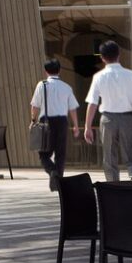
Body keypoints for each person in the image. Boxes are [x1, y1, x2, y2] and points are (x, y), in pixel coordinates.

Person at [82, 39, 132, 182]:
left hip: (107, 119)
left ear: (102, 57)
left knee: (109, 157)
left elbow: (92, 103)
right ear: (119, 54)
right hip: (127, 118)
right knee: (131, 154)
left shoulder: (99, 77)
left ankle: (113, 185)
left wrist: (88, 127)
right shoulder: (131, 75)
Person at [29, 56, 78, 189]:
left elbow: (35, 105)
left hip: (46, 122)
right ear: (59, 70)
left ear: (46, 71)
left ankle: (52, 171)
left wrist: (33, 120)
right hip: (62, 121)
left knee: (44, 153)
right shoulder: (67, 87)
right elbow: (72, 108)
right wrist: (76, 126)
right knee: (60, 153)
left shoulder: (42, 85)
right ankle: (58, 182)